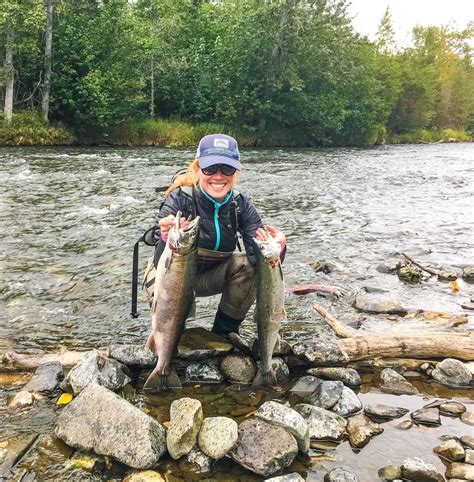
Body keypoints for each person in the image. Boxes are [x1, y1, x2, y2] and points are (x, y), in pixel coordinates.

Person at [151, 133, 286, 336]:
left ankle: (224, 335)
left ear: (237, 173)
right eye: (210, 167)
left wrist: (276, 250)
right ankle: (167, 342)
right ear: (198, 169)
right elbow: (159, 260)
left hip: (213, 275)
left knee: (248, 266)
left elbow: (259, 261)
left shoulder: (241, 205)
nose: (218, 175)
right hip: (171, 274)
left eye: (227, 168)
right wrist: (164, 237)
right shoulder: (179, 198)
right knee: (172, 336)